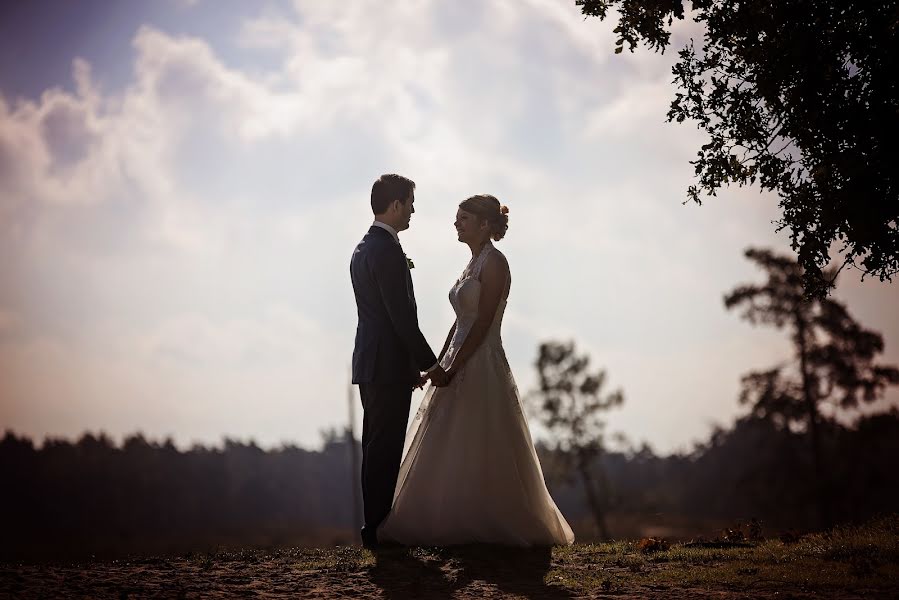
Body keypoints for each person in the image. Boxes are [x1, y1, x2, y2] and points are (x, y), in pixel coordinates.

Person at [377, 194, 575, 546]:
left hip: (482, 361)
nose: (457, 223)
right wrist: (439, 364)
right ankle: (448, 521)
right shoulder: (471, 264)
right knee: (451, 442)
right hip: (457, 358)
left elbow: (482, 323)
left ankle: (491, 521)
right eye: (457, 218)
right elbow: (459, 324)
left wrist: (457, 365)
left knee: (484, 438)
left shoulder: (495, 263)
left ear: (485, 225)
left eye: (464, 218)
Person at [350, 174, 451, 549]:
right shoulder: (387, 250)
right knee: (385, 449)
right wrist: (430, 364)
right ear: (394, 205)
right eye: (410, 203)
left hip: (373, 362)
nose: (412, 211)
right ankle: (378, 531)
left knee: (376, 447)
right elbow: (401, 318)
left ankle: (375, 527)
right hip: (386, 366)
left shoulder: (362, 248)